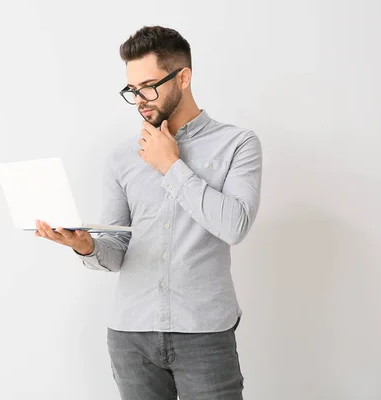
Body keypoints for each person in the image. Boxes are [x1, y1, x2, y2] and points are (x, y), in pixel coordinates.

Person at [34, 25, 262, 400]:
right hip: (130, 337)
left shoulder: (238, 144)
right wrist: (87, 246)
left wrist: (170, 165)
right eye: (133, 89)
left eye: (149, 86)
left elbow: (234, 226)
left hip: (204, 333)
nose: (140, 99)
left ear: (183, 77)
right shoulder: (122, 157)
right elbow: (117, 250)